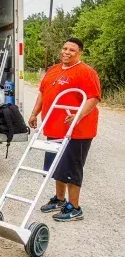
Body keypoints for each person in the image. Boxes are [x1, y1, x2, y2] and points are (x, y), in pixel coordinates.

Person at [28, 37, 101, 222]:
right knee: (57, 167)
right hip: (54, 128)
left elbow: (93, 98)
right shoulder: (53, 70)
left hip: (77, 132)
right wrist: (34, 113)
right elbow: (43, 93)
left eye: (72, 50)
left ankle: (75, 208)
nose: (66, 52)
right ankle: (60, 200)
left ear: (79, 53)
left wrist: (78, 116)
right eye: (65, 48)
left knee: (71, 169)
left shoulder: (86, 72)